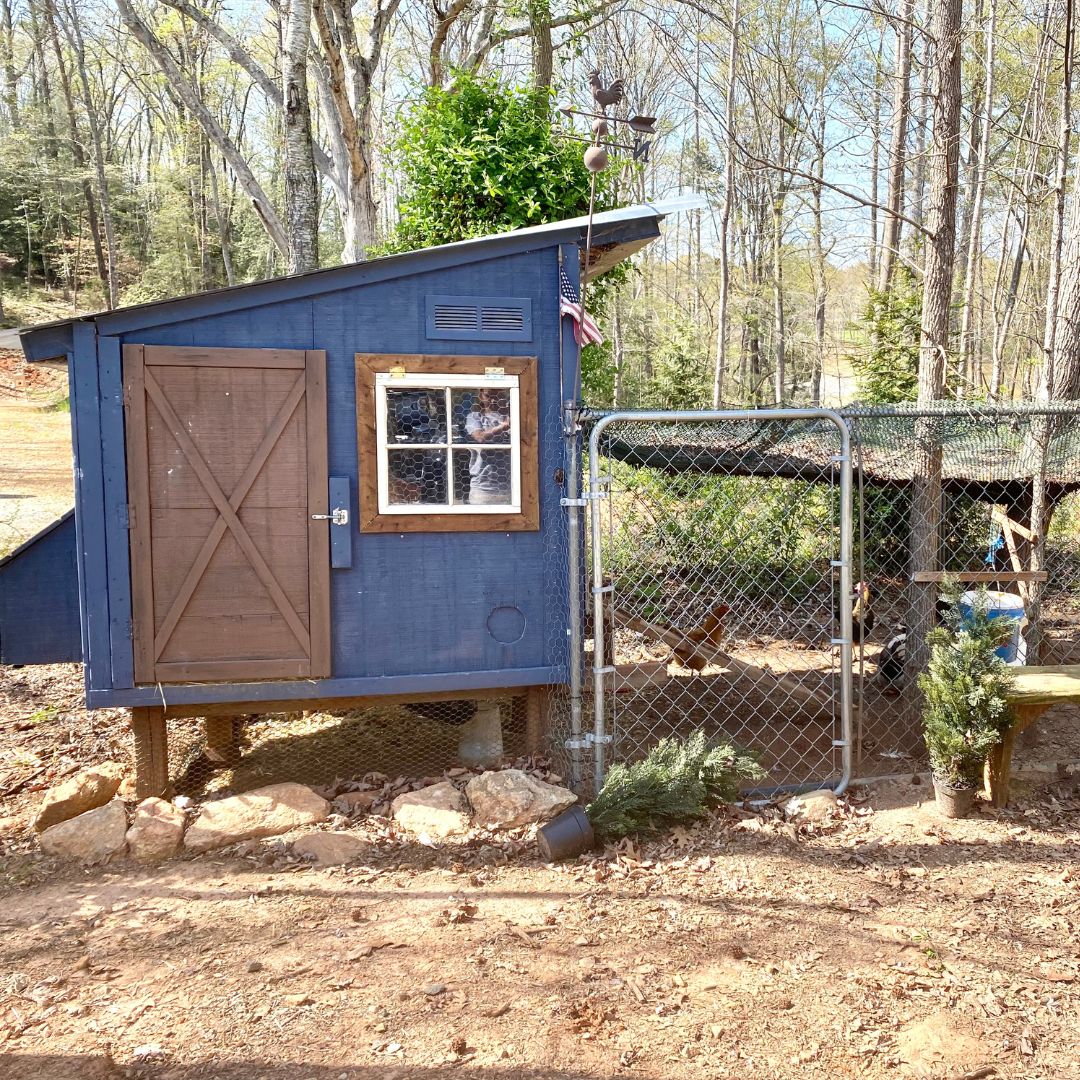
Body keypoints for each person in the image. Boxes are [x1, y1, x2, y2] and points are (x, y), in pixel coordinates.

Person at [464, 388, 512, 505]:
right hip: (482, 488)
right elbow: (479, 437)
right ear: (481, 396)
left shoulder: (511, 417)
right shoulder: (475, 417)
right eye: (488, 395)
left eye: (498, 395)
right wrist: (503, 427)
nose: (493, 400)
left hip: (508, 486)